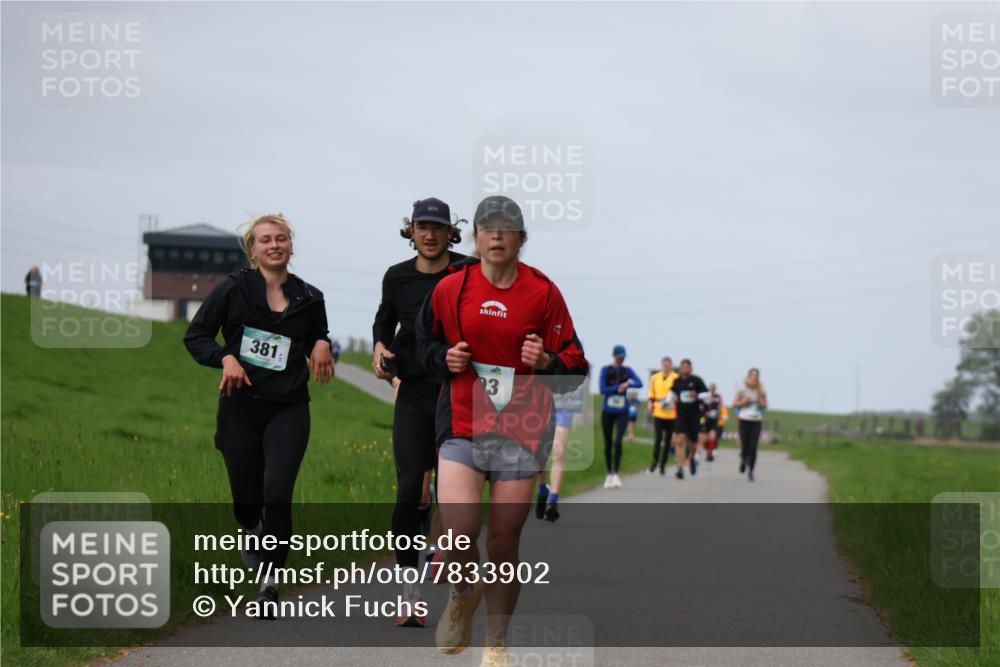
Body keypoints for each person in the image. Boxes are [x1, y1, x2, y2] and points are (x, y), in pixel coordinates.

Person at [416, 195, 588, 664]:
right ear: (474, 237)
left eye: (505, 228)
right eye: (486, 228)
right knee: (458, 535)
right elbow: (423, 341)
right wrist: (442, 358)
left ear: (520, 239)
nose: (495, 236)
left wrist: (548, 360)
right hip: (462, 425)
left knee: (503, 543)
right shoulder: (452, 289)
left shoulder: (544, 294)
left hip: (522, 430)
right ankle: (460, 596)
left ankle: (496, 642)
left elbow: (576, 366)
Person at [183, 213, 333, 617]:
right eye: (265, 240)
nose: (274, 245)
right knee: (247, 504)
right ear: (253, 249)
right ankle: (252, 530)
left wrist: (321, 343)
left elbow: (320, 333)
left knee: (278, 492)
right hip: (241, 406)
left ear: (290, 245)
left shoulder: (309, 297)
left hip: (288, 407)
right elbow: (195, 337)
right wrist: (225, 357)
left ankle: (269, 582)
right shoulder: (233, 288)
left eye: (281, 238)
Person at [371, 197, 466, 627]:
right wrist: (378, 345)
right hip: (412, 389)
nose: (429, 234)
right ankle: (410, 594)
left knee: (453, 488)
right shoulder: (396, 276)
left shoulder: (467, 271)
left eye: (437, 227)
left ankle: (451, 563)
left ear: (451, 231)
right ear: (411, 230)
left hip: (459, 390)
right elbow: (383, 320)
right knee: (410, 485)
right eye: (422, 226)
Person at [535, 379, 587, 523]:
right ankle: (542, 489)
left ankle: (553, 501)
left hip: (564, 405)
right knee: (540, 455)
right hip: (540, 404)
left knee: (558, 451)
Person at [599, 345, 643, 489]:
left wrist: (628, 384)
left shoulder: (627, 370)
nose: (621, 359)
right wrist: (617, 388)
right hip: (608, 410)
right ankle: (609, 473)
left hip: (622, 411)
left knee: (618, 441)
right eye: (619, 357)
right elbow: (602, 389)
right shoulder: (606, 370)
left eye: (623, 357)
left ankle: (616, 473)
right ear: (614, 356)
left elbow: (640, 383)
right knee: (608, 442)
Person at [669, 359, 709, 480]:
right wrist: (667, 402)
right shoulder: (677, 381)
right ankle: (680, 468)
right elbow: (671, 394)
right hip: (681, 415)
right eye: (683, 367)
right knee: (680, 440)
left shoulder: (697, 380)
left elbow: (706, 394)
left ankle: (691, 458)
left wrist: (696, 395)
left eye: (687, 367)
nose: (685, 369)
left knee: (692, 443)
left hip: (694, 415)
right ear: (680, 369)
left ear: (691, 369)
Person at [732, 367, 768, 481]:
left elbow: (765, 405)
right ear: (748, 377)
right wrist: (744, 402)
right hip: (744, 419)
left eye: (756, 376)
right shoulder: (742, 390)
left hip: (756, 420)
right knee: (745, 445)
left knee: (753, 447)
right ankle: (743, 459)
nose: (754, 378)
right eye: (752, 375)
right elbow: (734, 404)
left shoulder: (761, 391)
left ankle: (751, 471)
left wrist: (763, 404)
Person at [647, 356, 678, 475]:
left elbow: (677, 392)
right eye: (664, 364)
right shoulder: (655, 377)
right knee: (658, 438)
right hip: (658, 411)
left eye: (668, 364)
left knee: (668, 440)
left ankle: (663, 465)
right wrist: (650, 404)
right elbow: (651, 393)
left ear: (671, 365)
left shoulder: (676, 377)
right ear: (661, 365)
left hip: (671, 412)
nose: (666, 366)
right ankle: (655, 461)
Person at [701, 383, 724, 462]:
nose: (712, 389)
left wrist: (720, 414)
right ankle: (707, 450)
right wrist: (704, 413)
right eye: (710, 388)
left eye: (713, 388)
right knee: (705, 437)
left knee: (712, 436)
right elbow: (701, 406)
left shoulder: (717, 397)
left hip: (714, 419)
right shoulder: (704, 396)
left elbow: (720, 406)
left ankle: (710, 454)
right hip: (705, 419)